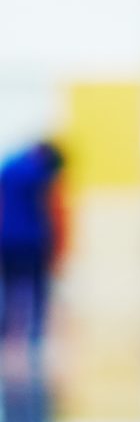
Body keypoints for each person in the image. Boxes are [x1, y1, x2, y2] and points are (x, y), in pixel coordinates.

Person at [0, 140, 66, 353]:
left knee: (10, 286)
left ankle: (9, 329)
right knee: (38, 287)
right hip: (32, 239)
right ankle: (36, 331)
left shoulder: (8, 167)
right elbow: (51, 210)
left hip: (7, 238)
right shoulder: (40, 174)